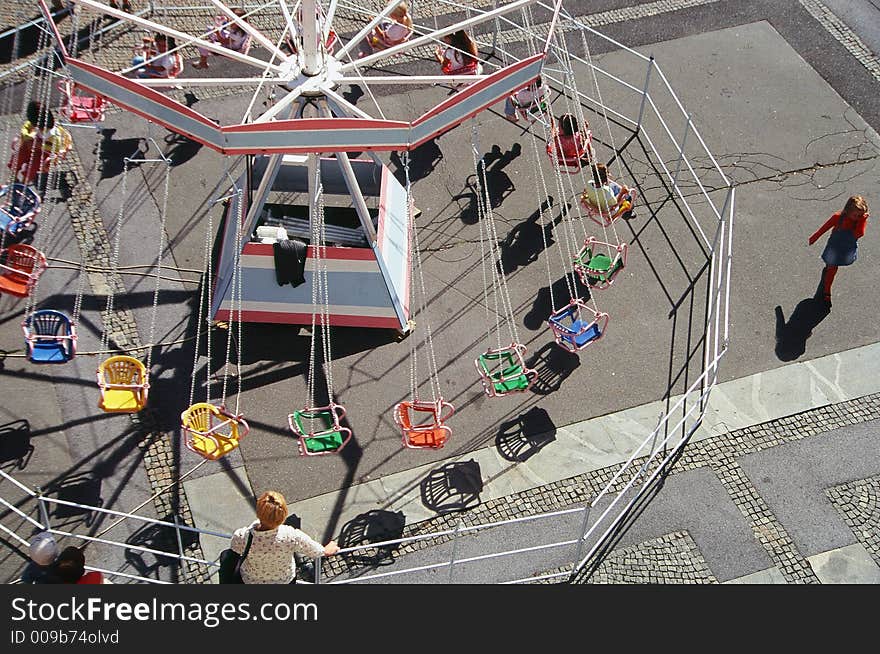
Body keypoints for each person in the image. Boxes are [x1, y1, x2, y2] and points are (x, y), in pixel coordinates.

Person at [230, 490, 339, 584]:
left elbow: (235, 549)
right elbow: (315, 551)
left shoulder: (242, 536)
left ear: (258, 513)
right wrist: (327, 550)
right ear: (283, 517)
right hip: (284, 580)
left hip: (252, 580)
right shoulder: (291, 535)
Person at [808, 195, 869, 306]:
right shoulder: (838, 217)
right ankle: (827, 291)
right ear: (847, 211)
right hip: (834, 247)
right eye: (855, 215)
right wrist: (815, 236)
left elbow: (859, 234)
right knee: (832, 268)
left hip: (847, 249)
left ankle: (827, 275)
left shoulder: (860, 221)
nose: (857, 217)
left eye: (860, 215)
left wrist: (862, 220)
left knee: (833, 266)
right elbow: (825, 227)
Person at [7, 101, 72, 192]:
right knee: (18, 156)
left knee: (33, 166)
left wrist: (41, 146)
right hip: (32, 146)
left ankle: (23, 183)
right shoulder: (33, 123)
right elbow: (25, 127)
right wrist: (28, 136)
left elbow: (57, 148)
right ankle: (13, 176)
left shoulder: (53, 134)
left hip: (44, 153)